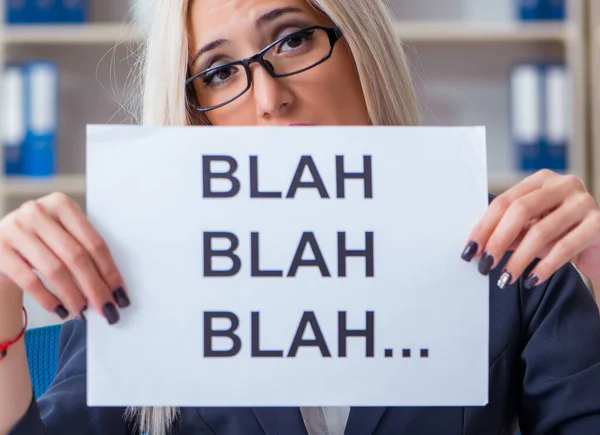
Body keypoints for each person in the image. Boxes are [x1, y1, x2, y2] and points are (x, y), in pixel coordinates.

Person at [1, 0, 600, 434]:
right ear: (196, 112)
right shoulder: (136, 277)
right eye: (218, 73)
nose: (268, 98)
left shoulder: (514, 259)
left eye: (291, 39)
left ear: (361, 44)